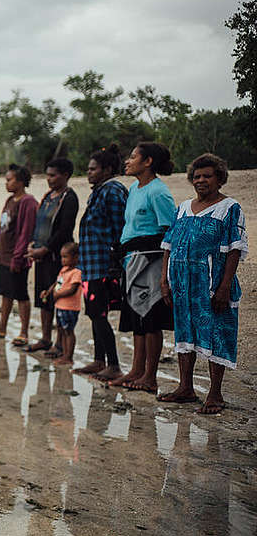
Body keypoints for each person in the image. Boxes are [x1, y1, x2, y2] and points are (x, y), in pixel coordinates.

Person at [158, 154, 247, 414]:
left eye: (207, 175)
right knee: (185, 333)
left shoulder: (230, 208)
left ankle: (215, 394)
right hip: (182, 284)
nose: (201, 180)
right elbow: (168, 246)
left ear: (219, 178)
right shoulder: (183, 207)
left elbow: (234, 249)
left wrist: (224, 286)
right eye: (196, 176)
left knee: (217, 332)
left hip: (211, 283)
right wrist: (165, 280)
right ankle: (186, 388)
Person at [106, 142, 177, 392]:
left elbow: (171, 230)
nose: (127, 160)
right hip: (132, 261)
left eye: (133, 157)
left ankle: (150, 376)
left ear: (148, 162)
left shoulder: (158, 192)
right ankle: (136, 370)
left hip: (151, 262)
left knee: (151, 320)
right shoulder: (135, 189)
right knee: (137, 318)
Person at [75, 145, 129, 380]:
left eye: (93, 169)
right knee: (94, 313)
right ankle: (99, 361)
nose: (89, 173)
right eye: (88, 169)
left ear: (107, 169)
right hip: (90, 264)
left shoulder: (113, 191)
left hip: (103, 265)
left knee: (100, 314)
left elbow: (120, 230)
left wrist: (116, 264)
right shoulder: (97, 191)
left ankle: (114, 365)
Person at [26, 159, 79, 353]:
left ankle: (59, 343)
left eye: (53, 175)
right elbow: (39, 223)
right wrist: (34, 244)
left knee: (58, 297)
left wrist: (46, 249)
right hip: (41, 257)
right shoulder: (48, 196)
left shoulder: (69, 198)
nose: (49, 179)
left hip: (58, 257)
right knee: (43, 297)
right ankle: (45, 338)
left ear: (65, 175)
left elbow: (65, 230)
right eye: (47, 175)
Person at [0, 164, 38, 345]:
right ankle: (2, 327)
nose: (6, 183)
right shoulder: (10, 201)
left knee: (21, 294)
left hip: (17, 257)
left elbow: (25, 232)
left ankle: (24, 333)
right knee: (6, 292)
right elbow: (2, 228)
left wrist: (18, 256)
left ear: (20, 181)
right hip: (4, 256)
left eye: (9, 180)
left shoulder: (28, 202)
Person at [41, 242, 82, 366]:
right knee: (62, 330)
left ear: (76, 257)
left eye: (65, 257)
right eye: (61, 257)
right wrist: (48, 292)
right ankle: (64, 353)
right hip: (60, 306)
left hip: (70, 307)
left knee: (68, 331)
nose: (62, 260)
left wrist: (58, 295)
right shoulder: (64, 270)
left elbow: (72, 289)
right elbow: (57, 283)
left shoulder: (76, 272)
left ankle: (68, 357)